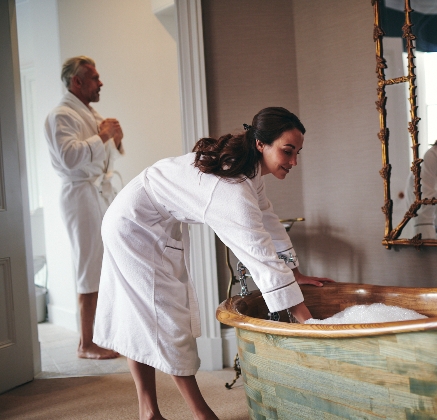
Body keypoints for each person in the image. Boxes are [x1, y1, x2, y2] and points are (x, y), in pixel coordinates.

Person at [93, 107, 334, 419]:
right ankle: (202, 413)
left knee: (144, 315)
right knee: (165, 318)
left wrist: (295, 271)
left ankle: (148, 412)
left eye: (297, 152)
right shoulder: (231, 191)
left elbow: (268, 221)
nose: (293, 162)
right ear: (261, 144)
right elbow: (259, 256)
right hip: (132, 225)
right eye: (287, 151)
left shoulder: (248, 171)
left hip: (150, 221)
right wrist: (309, 324)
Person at [44, 56, 123, 360]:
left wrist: (115, 137)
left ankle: (97, 336)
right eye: (94, 77)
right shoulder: (59, 116)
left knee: (102, 264)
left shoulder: (89, 113)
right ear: (77, 82)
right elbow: (70, 158)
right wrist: (103, 135)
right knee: (88, 265)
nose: (100, 82)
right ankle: (85, 343)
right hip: (80, 195)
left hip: (98, 192)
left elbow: (106, 158)